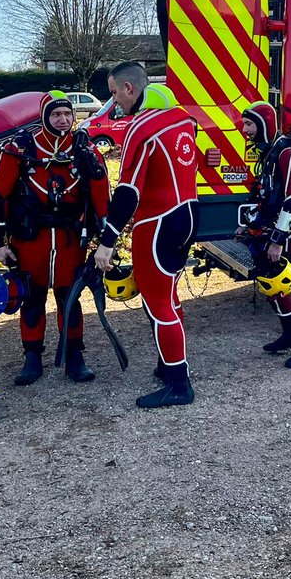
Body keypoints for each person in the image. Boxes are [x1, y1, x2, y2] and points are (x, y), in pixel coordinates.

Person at [93, 62, 200, 408]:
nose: (113, 103)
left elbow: (128, 193)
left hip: (157, 222)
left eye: (113, 93)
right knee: (170, 295)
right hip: (188, 214)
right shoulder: (184, 120)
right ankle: (167, 365)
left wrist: (107, 243)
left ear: (129, 88)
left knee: (158, 303)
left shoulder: (142, 126)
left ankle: (179, 385)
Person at [0, 91, 110, 385]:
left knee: (70, 298)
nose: (63, 120)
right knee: (32, 298)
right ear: (44, 117)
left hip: (69, 240)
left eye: (67, 114)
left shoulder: (85, 150)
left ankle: (75, 357)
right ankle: (32, 358)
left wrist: (106, 241)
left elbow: (103, 197)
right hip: (31, 239)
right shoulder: (20, 149)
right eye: (56, 114)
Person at [239, 101, 291, 368]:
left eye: (250, 124)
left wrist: (276, 240)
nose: (245, 130)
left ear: (265, 125)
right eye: (245, 124)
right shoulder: (271, 151)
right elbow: (267, 194)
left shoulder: (288, 152)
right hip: (278, 228)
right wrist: (251, 224)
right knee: (272, 281)